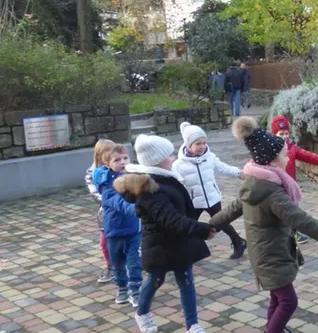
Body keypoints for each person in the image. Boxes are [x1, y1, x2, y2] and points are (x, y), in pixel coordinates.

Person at [211, 117, 318, 333]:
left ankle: (273, 327)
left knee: (277, 298)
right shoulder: (271, 192)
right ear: (271, 160)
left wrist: (213, 225)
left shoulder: (255, 182)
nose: (288, 158)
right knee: (288, 301)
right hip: (271, 255)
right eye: (284, 155)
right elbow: (299, 218)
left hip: (264, 253)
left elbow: (233, 207)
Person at [115, 134, 216, 333]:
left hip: (180, 243)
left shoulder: (167, 179)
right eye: (169, 155)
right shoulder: (151, 190)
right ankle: (142, 313)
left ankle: (192, 324)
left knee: (186, 282)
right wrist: (202, 230)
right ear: (158, 161)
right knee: (155, 281)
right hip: (160, 247)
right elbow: (172, 220)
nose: (172, 157)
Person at [173, 122, 247, 259]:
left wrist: (238, 173)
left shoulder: (210, 157)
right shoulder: (178, 165)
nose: (202, 147)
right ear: (188, 145)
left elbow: (223, 167)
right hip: (194, 202)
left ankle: (239, 242)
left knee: (222, 222)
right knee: (189, 226)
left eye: (204, 143)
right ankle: (190, 250)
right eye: (198, 144)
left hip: (212, 198)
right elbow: (174, 182)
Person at [93, 144, 142, 307]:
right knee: (118, 262)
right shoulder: (106, 183)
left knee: (134, 261)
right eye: (117, 160)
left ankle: (135, 289)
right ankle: (122, 287)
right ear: (108, 164)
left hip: (134, 229)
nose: (122, 162)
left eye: (125, 158)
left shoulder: (134, 176)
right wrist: (133, 208)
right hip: (114, 231)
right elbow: (115, 200)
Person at [270, 115, 318, 244]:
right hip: (276, 185)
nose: (284, 136)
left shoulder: (292, 147)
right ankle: (287, 233)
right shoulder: (270, 149)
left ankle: (292, 232)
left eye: (286, 133)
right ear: (274, 134)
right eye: (280, 134)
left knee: (292, 209)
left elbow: (305, 155)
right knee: (282, 210)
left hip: (290, 185)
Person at [85, 139, 116, 284]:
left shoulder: (119, 168)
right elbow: (94, 193)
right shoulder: (92, 173)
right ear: (99, 155)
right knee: (105, 243)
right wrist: (110, 201)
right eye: (108, 152)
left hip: (123, 211)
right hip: (106, 213)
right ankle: (111, 267)